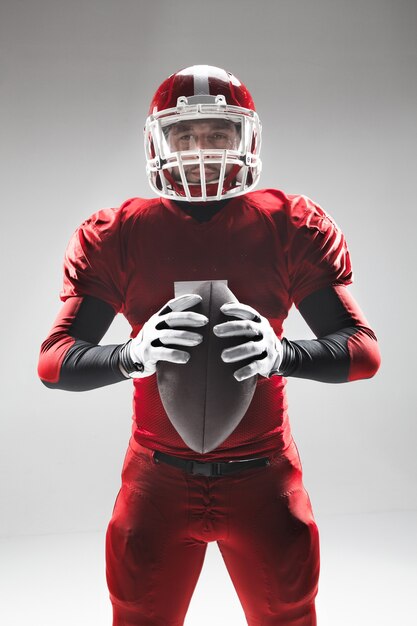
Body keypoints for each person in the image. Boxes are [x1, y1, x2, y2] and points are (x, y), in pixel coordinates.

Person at [38, 64, 381, 626]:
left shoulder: (287, 225)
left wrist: (282, 354)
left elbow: (364, 352)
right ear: (158, 142)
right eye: (186, 135)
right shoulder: (122, 232)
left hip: (263, 476)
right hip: (157, 478)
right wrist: (131, 355)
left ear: (246, 139)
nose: (202, 150)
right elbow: (54, 362)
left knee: (289, 616)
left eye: (218, 134)